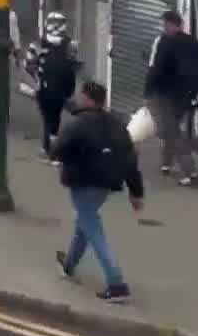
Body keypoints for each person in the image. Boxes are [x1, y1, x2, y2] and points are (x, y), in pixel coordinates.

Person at [52, 80, 143, 302]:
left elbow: (57, 149)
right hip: (106, 184)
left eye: (80, 95)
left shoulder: (77, 123)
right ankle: (69, 265)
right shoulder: (117, 124)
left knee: (92, 229)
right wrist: (136, 192)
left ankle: (117, 283)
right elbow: (130, 159)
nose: (77, 98)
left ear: (87, 98)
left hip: (82, 181)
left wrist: (59, 155)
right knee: (85, 223)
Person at [146, 9, 198, 188]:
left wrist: (148, 89)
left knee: (171, 131)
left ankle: (192, 173)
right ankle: (166, 163)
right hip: (185, 96)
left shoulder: (165, 42)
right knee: (172, 127)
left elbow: (156, 68)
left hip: (166, 93)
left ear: (171, 24)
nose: (164, 28)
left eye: (165, 24)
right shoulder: (194, 43)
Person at [29, 12, 80, 160]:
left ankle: (49, 148)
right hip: (62, 89)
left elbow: (29, 64)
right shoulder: (71, 45)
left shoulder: (37, 44)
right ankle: (51, 146)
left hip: (44, 89)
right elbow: (72, 66)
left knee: (48, 118)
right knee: (55, 117)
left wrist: (37, 76)